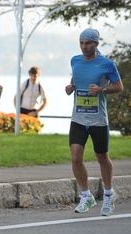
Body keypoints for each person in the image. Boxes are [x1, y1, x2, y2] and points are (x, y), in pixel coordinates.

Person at [65, 28, 123, 216]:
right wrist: (71, 87)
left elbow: (119, 87)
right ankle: (86, 196)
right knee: (75, 158)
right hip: (78, 118)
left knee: (102, 158)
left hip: (98, 119)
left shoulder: (107, 64)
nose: (84, 47)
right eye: (81, 43)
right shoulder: (75, 61)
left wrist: (101, 90)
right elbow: (76, 78)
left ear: (96, 44)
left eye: (88, 43)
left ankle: (108, 194)